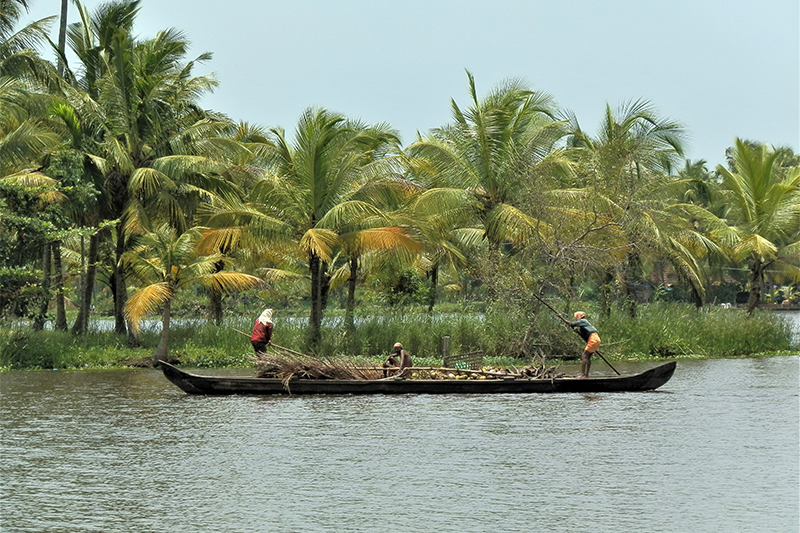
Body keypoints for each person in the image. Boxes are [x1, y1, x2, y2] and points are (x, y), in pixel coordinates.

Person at [569, 311, 601, 379]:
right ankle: (586, 375)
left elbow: (571, 324)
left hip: (593, 339)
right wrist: (578, 332)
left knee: (584, 356)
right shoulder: (584, 324)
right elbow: (585, 337)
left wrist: (560, 317)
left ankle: (583, 375)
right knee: (588, 357)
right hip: (596, 339)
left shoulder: (583, 321)